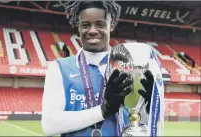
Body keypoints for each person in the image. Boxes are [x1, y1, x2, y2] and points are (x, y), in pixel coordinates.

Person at [41, 1, 164, 136]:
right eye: (85, 25)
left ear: (111, 25)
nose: (93, 31)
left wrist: (148, 109)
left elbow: (137, 123)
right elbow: (49, 125)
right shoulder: (59, 68)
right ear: (78, 27)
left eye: (100, 24)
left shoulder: (130, 69)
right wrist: (103, 110)